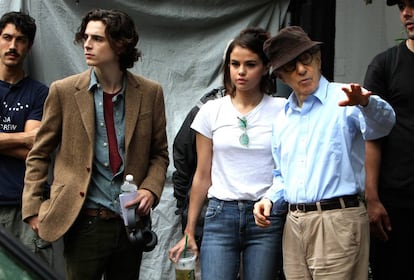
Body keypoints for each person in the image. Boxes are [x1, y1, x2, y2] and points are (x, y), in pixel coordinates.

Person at [21, 8, 169, 280]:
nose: (87, 44)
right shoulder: (64, 91)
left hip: (129, 224)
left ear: (120, 44)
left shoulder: (150, 93)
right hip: (83, 221)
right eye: (86, 37)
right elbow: (39, 154)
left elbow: (159, 154)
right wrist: (32, 209)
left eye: (98, 39)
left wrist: (150, 189)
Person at [253, 26, 396, 280]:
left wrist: (365, 102)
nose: (300, 70)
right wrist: (269, 199)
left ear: (317, 58)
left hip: (337, 220)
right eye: (289, 67)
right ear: (282, 78)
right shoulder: (282, 119)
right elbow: (282, 175)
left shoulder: (344, 98)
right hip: (294, 224)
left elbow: (383, 125)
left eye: (304, 59)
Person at [169, 27, 287, 280]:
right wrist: (189, 229)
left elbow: (287, 170)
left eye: (250, 64)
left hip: (265, 215)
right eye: (235, 64)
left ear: (266, 67)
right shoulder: (211, 111)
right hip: (221, 214)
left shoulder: (283, 110)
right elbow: (202, 175)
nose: (241, 72)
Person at [363, 1, 414, 279]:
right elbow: (372, 134)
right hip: (396, 203)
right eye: (402, 6)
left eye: (413, 5)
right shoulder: (385, 64)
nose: (406, 13)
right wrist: (372, 198)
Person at [0, 11, 53, 265]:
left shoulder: (40, 93)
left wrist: (28, 141)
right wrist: (23, 138)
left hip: (27, 207)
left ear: (29, 46)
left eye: (20, 40)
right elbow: (28, 140)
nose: (13, 46)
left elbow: (36, 147)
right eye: (7, 37)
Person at [172, 86, 225, 247]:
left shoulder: (269, 108)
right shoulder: (206, 108)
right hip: (204, 212)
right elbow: (182, 155)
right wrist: (184, 203)